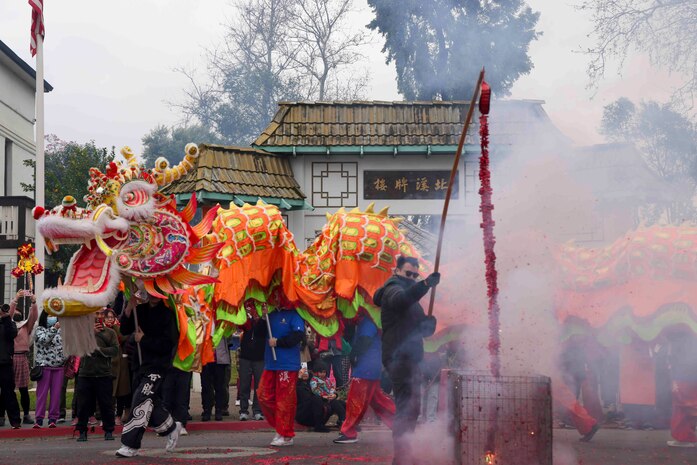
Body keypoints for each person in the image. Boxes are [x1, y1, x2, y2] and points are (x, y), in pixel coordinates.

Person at [373, 256, 439, 465]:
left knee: (413, 408)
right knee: (406, 407)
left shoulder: (413, 301)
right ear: (397, 271)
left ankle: (406, 453)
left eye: (415, 275)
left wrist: (429, 324)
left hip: (411, 357)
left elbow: (421, 331)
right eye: (408, 273)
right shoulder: (393, 288)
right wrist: (426, 284)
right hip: (398, 358)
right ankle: (401, 458)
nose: (411, 278)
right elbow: (401, 300)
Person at [115, 290, 181, 458]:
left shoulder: (168, 315)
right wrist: (129, 308)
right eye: (150, 291)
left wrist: (143, 340)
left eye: (157, 292)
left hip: (157, 366)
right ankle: (171, 427)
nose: (152, 295)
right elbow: (124, 329)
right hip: (139, 364)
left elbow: (168, 345)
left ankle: (130, 444)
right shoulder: (141, 310)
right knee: (151, 401)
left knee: (141, 400)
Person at [335, 313, 395, 444]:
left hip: (365, 366)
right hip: (372, 365)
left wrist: (354, 354)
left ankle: (349, 432)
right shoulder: (372, 320)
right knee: (377, 400)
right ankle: (400, 423)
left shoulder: (368, 320)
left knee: (355, 400)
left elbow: (365, 340)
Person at [257, 303, 305, 447]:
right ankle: (280, 427)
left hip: (287, 364)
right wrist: (263, 318)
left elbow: (298, 335)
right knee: (263, 395)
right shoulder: (270, 314)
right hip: (271, 363)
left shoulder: (294, 314)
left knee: (285, 401)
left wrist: (278, 342)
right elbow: (259, 334)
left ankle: (286, 434)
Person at [75, 308, 119, 442]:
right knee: (83, 405)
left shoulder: (110, 332)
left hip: (103, 373)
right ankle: (82, 431)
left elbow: (115, 350)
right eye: (96, 313)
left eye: (101, 314)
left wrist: (99, 350)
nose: (99, 316)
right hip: (85, 374)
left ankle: (109, 431)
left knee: (106, 404)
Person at [34, 311, 66, 428]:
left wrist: (63, 358)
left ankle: (53, 418)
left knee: (56, 394)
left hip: (58, 367)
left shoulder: (62, 330)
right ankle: (39, 419)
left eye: (54, 316)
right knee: (41, 394)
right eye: (49, 316)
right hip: (44, 366)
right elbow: (43, 341)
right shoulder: (40, 330)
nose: (52, 318)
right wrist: (53, 328)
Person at [10, 293, 38, 425]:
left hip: (22, 358)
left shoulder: (26, 326)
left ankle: (26, 415)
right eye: (15, 310)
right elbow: (8, 314)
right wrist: (15, 300)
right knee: (7, 389)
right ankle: (3, 415)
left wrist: (33, 302)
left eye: (18, 311)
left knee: (23, 389)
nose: (16, 312)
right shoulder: (7, 324)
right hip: (9, 358)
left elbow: (33, 316)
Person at [667, 330, 697, 447]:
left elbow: (675, 359)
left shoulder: (679, 339)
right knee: (690, 405)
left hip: (683, 377)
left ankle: (685, 437)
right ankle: (686, 436)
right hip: (691, 376)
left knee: (682, 407)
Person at [238, 300, 265, 421]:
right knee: (244, 384)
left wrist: (262, 316)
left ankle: (257, 411)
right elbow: (241, 325)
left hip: (259, 357)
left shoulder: (263, 313)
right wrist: (246, 311)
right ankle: (243, 410)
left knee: (259, 386)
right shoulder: (245, 310)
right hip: (245, 356)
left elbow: (262, 330)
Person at [105, 308, 131, 425]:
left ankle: (119, 415)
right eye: (108, 317)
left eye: (112, 317)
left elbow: (123, 337)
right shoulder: (100, 329)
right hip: (106, 363)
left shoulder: (118, 327)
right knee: (108, 392)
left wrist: (115, 327)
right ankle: (106, 416)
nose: (110, 319)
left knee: (121, 391)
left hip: (120, 363)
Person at [0, 302, 21, 429]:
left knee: (9, 393)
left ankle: (15, 421)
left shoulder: (9, 323)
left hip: (5, 363)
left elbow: (12, 334)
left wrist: (6, 317)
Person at [201, 335, 231, 421]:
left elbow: (229, 334)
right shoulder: (204, 321)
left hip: (220, 358)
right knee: (206, 386)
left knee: (220, 386)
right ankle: (207, 410)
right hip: (205, 357)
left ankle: (219, 410)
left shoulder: (222, 322)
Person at [295, 365, 332, 432]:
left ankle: (343, 421)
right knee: (316, 399)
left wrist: (334, 395)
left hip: (314, 415)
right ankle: (318, 426)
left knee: (335, 402)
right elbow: (301, 394)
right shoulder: (297, 385)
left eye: (306, 372)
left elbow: (327, 390)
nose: (304, 374)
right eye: (302, 372)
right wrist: (299, 378)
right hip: (302, 414)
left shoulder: (313, 382)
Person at [309, 360, 346, 428]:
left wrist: (333, 394)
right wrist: (324, 396)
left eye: (324, 372)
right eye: (321, 372)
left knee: (343, 404)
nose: (323, 374)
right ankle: (343, 420)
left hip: (330, 398)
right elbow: (315, 390)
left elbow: (332, 387)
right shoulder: (314, 380)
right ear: (316, 372)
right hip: (322, 400)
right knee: (335, 404)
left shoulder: (327, 379)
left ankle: (341, 420)